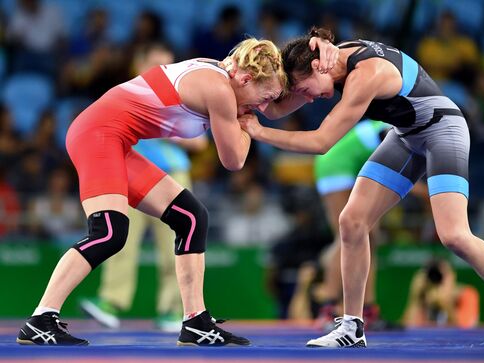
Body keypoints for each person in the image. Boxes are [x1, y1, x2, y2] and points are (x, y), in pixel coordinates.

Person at [240, 27, 484, 348]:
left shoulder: (366, 74)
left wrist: (258, 133)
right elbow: (276, 107)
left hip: (443, 128)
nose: (308, 98)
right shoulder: (324, 62)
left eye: (306, 90)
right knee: (352, 222)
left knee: (454, 235)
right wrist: (236, 85)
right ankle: (352, 327)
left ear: (319, 66)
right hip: (405, 136)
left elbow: (321, 142)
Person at [15, 36, 308, 347]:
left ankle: (195, 321)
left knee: (191, 217)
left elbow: (259, 114)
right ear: (246, 78)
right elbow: (234, 160)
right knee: (109, 232)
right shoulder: (220, 90)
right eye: (262, 98)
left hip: (114, 139)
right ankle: (41, 319)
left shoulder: (224, 77)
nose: (261, 107)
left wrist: (298, 94)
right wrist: (252, 125)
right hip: (98, 135)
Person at [79, 43, 208, 332]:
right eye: (156, 63)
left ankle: (173, 311)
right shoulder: (128, 93)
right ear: (140, 64)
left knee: (175, 243)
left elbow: (200, 142)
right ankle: (110, 303)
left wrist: (162, 126)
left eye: (169, 63)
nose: (164, 69)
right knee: (118, 239)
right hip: (127, 173)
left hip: (172, 176)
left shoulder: (183, 97)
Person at [311, 120, 390, 330]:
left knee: (369, 239)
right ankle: (327, 309)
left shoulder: (387, 128)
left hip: (349, 170)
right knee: (346, 237)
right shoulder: (388, 130)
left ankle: (368, 310)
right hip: (334, 167)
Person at [402, 258, 479, 328]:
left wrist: (445, 304)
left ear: (453, 275)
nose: (439, 280)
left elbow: (466, 329)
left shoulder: (466, 294)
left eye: (443, 275)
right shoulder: (425, 296)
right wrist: (415, 298)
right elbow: (408, 331)